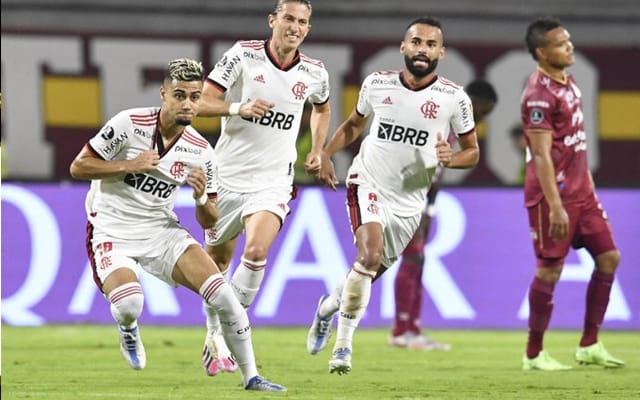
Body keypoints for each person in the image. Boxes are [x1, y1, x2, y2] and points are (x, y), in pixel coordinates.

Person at [69, 58, 286, 391]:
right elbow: (79, 167)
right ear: (163, 94)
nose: (188, 104)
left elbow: (210, 220)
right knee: (129, 305)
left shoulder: (201, 151)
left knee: (224, 296)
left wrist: (200, 199)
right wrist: (131, 164)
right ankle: (128, 329)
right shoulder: (129, 124)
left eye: (195, 97)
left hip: (161, 230)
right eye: (180, 95)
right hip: (112, 229)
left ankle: (252, 377)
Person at [306, 16, 480, 375]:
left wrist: (454, 159)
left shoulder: (454, 99)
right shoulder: (377, 84)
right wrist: (324, 152)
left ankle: (327, 308)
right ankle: (343, 348)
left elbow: (472, 152)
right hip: (367, 181)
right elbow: (355, 124)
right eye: (416, 42)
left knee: (366, 274)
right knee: (368, 256)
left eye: (431, 45)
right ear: (403, 47)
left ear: (441, 53)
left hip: (410, 202)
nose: (422, 50)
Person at [196, 0, 331, 377]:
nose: (295, 27)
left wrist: (318, 149)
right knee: (218, 264)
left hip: (273, 181)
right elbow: (203, 102)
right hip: (226, 176)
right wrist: (239, 108)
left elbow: (321, 108)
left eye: (303, 22)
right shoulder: (243, 55)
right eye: (288, 18)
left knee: (255, 253)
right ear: (273, 20)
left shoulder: (315, 72)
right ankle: (213, 336)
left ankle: (225, 335)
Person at [520, 17, 624, 371]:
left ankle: (589, 344)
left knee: (609, 258)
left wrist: (588, 187)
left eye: (569, 41)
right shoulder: (538, 96)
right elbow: (541, 156)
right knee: (549, 270)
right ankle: (533, 353)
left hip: (583, 194)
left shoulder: (571, 84)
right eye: (562, 43)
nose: (570, 47)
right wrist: (556, 206)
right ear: (542, 52)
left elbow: (575, 146)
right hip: (554, 198)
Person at [388, 79, 498, 351]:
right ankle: (401, 330)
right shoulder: (439, 116)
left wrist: (429, 208)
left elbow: (437, 172)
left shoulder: (452, 128)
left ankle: (412, 329)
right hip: (403, 194)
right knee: (413, 256)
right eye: (483, 112)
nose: (482, 119)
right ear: (472, 103)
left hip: (421, 198)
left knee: (419, 259)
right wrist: (414, 202)